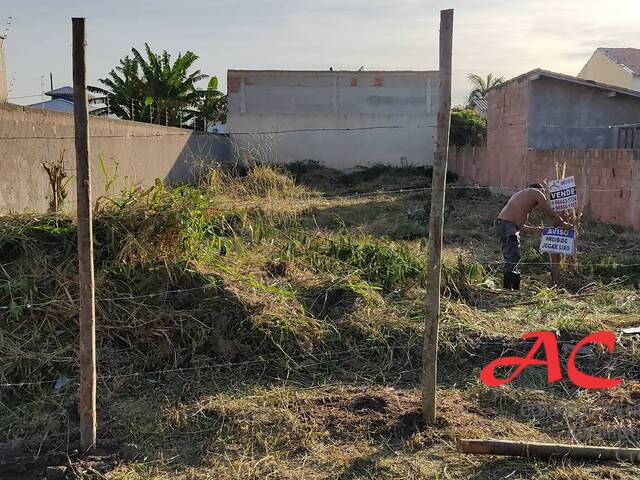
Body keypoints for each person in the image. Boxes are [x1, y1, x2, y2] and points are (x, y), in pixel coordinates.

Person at [495, 183, 571, 290]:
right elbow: (549, 212)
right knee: (511, 256)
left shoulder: (522, 200)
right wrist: (563, 224)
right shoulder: (536, 192)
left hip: (506, 226)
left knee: (515, 256)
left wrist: (540, 230)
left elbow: (521, 227)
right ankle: (507, 288)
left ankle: (514, 288)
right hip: (506, 226)